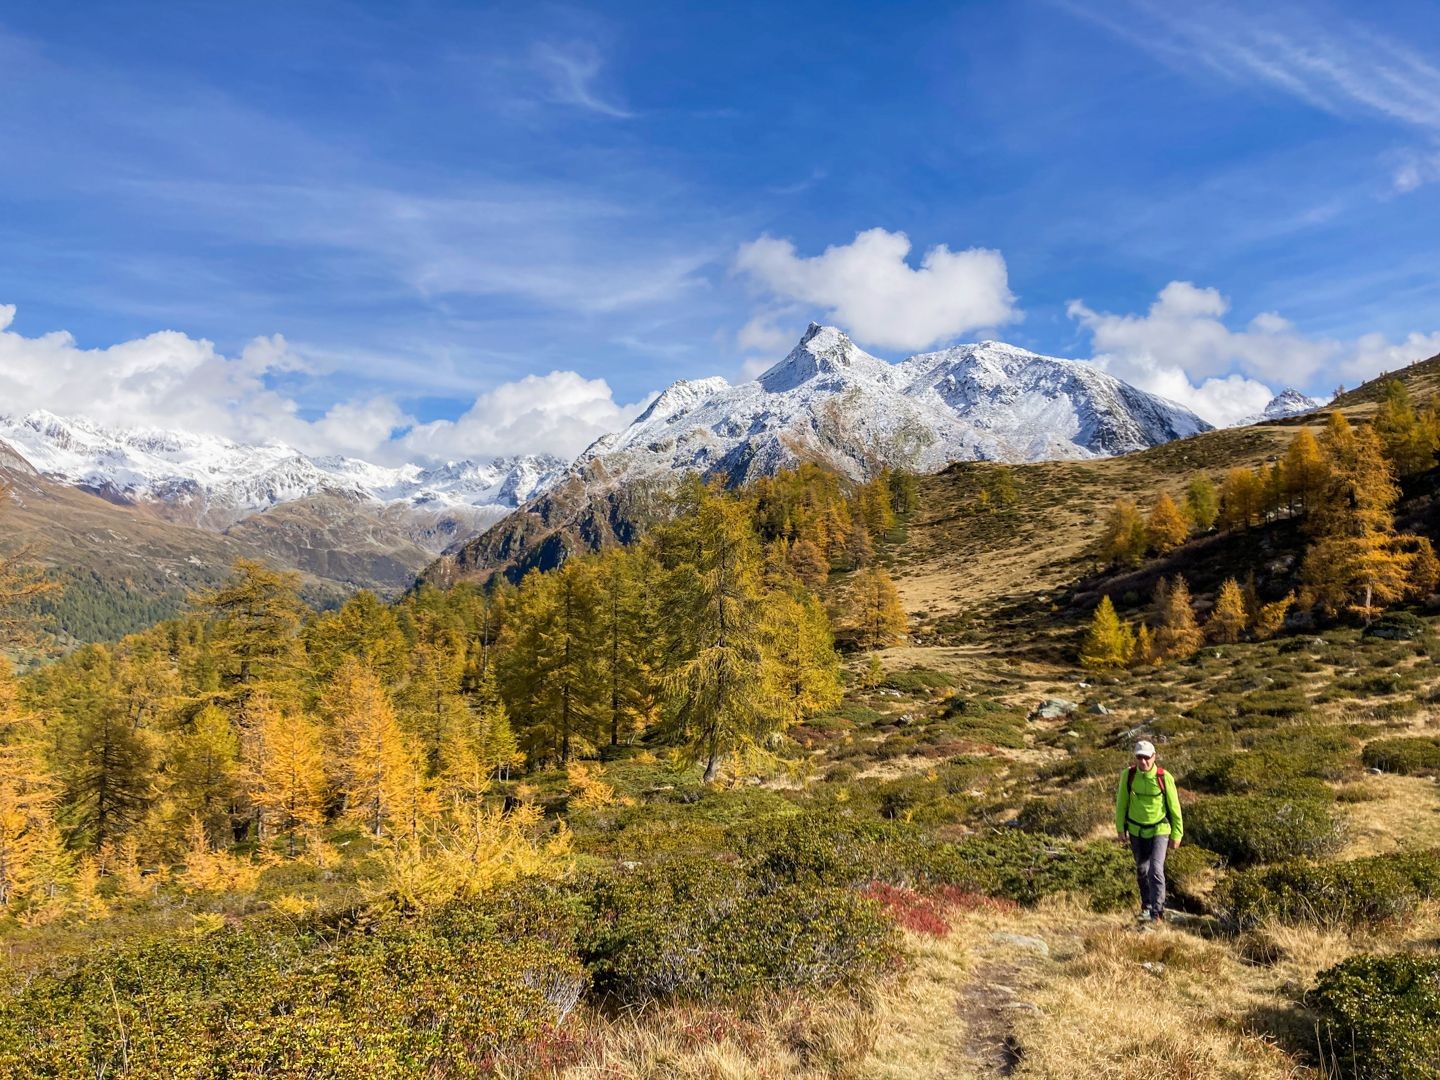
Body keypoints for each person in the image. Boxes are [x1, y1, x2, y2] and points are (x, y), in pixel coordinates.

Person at [1115, 739, 1183, 926]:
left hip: (1160, 829)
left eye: (1146, 757)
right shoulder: (1128, 775)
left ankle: (1157, 911)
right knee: (1142, 870)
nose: (1143, 761)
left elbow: (1174, 807)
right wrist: (1120, 828)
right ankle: (1146, 906)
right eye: (1139, 757)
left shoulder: (1164, 777)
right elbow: (1122, 803)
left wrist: (1177, 834)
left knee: (1155, 869)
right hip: (1136, 830)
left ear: (1154, 757)